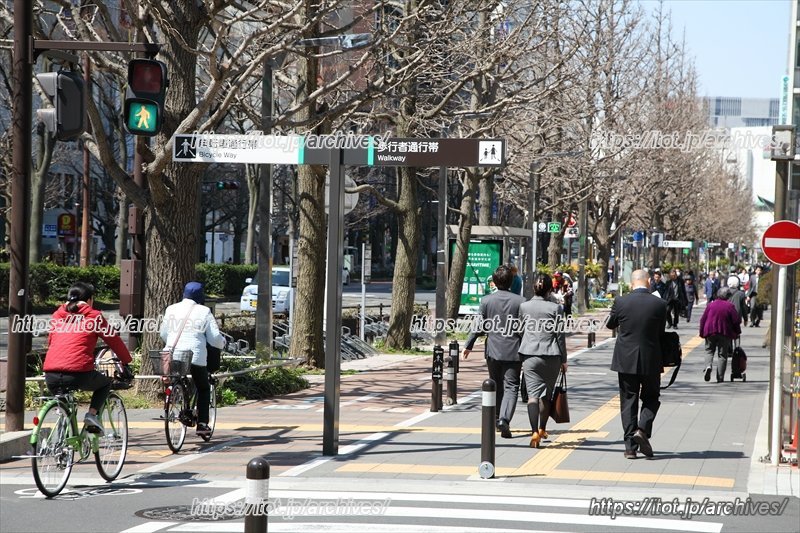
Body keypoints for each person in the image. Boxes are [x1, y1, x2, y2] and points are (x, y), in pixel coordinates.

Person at [43, 282, 133, 432]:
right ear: (90, 300)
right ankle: (92, 416)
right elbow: (114, 341)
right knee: (105, 384)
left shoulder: (57, 315)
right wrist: (126, 361)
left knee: (64, 405)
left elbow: (51, 341)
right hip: (78, 373)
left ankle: (62, 440)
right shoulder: (95, 317)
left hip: (50, 374)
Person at [605, 269, 667, 459]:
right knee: (651, 397)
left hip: (626, 360)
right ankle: (642, 429)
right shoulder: (659, 304)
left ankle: (630, 447)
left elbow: (610, 324)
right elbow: (661, 331)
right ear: (648, 282)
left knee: (628, 401)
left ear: (632, 283)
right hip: (651, 359)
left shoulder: (621, 301)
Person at [463, 265, 526, 439]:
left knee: (495, 384)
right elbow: (525, 329)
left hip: (493, 351)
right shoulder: (521, 302)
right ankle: (504, 419)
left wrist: (469, 345)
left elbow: (478, 326)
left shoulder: (486, 301)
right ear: (512, 281)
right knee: (511, 387)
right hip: (514, 351)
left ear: (494, 282)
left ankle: (498, 418)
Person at [161, 282, 226, 436]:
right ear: (200, 296)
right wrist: (223, 343)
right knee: (203, 387)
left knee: (178, 379)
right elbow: (215, 338)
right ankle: (202, 424)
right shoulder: (204, 312)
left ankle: (175, 396)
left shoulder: (171, 309)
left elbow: (163, 334)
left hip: (173, 354)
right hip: (195, 357)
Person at [518, 273, 568, 448]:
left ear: (534, 288)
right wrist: (564, 360)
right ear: (550, 289)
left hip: (530, 355)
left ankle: (533, 432)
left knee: (532, 396)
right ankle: (542, 428)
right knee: (546, 395)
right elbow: (560, 336)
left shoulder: (524, 306)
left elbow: (519, 330)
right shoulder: (556, 309)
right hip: (551, 355)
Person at [698, 287, 741, 383]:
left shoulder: (710, 305)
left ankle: (708, 366)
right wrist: (737, 332)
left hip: (709, 331)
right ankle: (720, 377)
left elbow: (703, 320)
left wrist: (702, 332)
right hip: (724, 332)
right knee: (722, 355)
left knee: (709, 351)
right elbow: (736, 320)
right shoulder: (730, 306)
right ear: (728, 296)